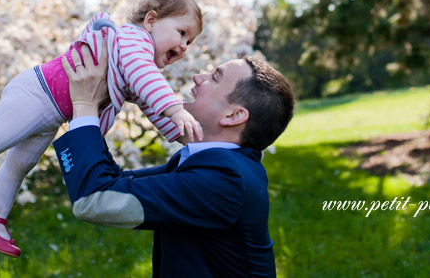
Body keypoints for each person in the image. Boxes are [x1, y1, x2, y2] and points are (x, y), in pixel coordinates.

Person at [0, 0, 205, 258]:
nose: (183, 47)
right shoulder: (134, 42)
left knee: (19, 164)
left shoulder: (138, 64)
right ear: (151, 21)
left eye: (189, 42)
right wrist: (177, 109)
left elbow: (152, 103)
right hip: (38, 93)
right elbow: (147, 80)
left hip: (52, 112)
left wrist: (182, 134)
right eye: (181, 33)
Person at [55, 41, 295, 278]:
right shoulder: (217, 166)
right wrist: (99, 106)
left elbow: (96, 200)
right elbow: (116, 183)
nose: (198, 78)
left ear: (233, 115)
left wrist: (84, 105)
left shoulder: (225, 180)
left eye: (215, 78)